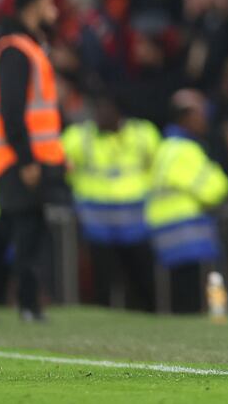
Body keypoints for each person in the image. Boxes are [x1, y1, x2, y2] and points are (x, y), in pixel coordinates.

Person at [0, 0, 69, 322]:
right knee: (27, 227)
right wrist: (26, 159)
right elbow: (11, 110)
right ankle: (27, 305)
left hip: (21, 156)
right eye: (49, 1)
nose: (54, 7)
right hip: (17, 158)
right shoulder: (15, 50)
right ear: (33, 7)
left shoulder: (27, 47)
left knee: (8, 227)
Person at [62, 92, 161, 311]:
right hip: (98, 227)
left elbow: (157, 167)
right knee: (102, 285)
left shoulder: (143, 134)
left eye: (106, 109)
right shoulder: (81, 137)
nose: (101, 115)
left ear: (119, 113)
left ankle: (147, 318)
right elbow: (61, 163)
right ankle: (103, 319)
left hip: (136, 227)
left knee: (141, 283)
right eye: (98, 110)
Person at [145, 89, 228, 314]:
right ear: (185, 117)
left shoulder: (165, 147)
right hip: (187, 236)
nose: (204, 119)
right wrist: (216, 175)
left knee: (178, 299)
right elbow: (215, 190)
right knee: (192, 302)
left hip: (169, 236)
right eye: (199, 114)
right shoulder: (185, 150)